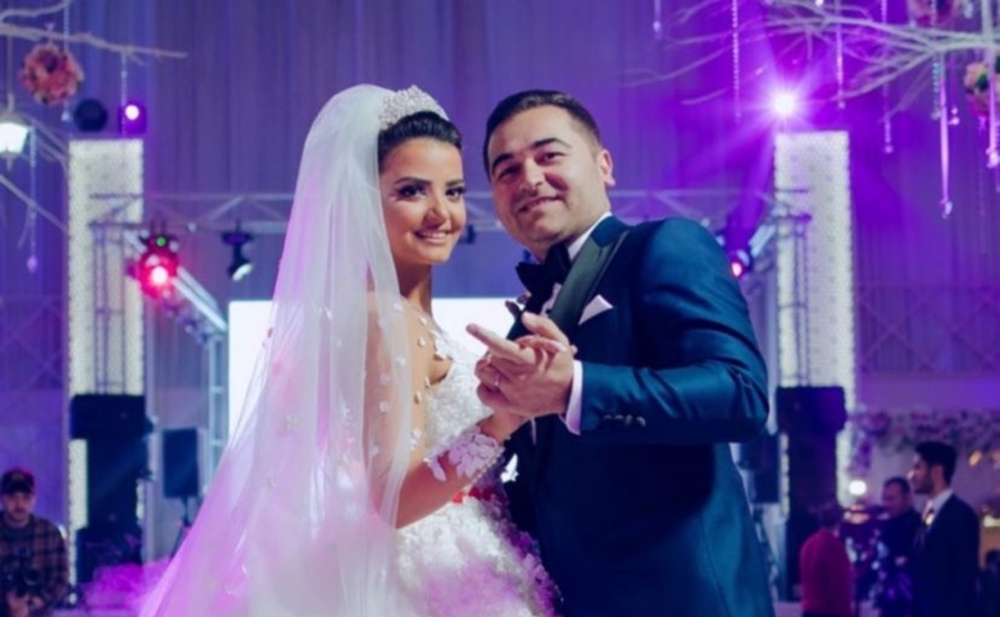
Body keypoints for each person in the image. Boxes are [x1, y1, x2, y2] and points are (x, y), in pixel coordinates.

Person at [138, 85, 558, 616]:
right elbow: (393, 498)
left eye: (452, 192)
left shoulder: (390, 315)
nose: (441, 213)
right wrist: (501, 422)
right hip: (429, 575)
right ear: (363, 203)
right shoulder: (387, 318)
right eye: (412, 191)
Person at [468, 89, 774, 616]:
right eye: (507, 170)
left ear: (604, 165)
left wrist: (574, 388)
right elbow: (550, 491)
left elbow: (740, 394)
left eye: (548, 155)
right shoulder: (522, 325)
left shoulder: (663, 245)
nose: (530, 178)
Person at [907, 440, 979, 617]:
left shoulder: (960, 515)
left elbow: (963, 578)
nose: (911, 475)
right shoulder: (927, 512)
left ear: (937, 472)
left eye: (918, 468)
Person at [0, 468, 69, 617]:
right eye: (12, 497)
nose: (19, 503)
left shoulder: (49, 533)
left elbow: (61, 580)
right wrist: (6, 601)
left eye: (26, 497)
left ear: (34, 499)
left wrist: (34, 603)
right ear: (2, 499)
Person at [874, 476, 921, 617]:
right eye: (884, 499)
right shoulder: (884, 527)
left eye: (891, 499)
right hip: (889, 602)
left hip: (911, 603)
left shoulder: (919, 528)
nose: (886, 504)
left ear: (907, 498)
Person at [798, 502, 852, 617]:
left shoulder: (808, 544)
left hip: (809, 609)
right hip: (828, 610)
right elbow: (839, 586)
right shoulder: (834, 546)